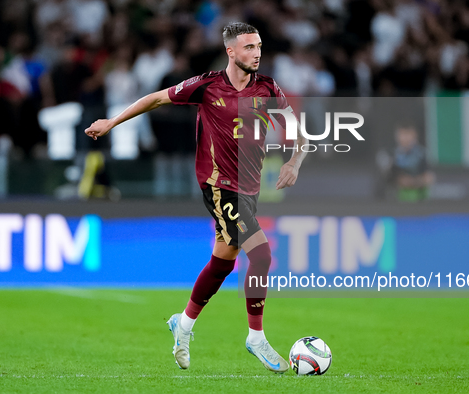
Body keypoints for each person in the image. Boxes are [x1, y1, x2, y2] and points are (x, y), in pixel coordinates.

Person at [85, 22, 306, 373]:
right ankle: (256, 336)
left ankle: (183, 325)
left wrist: (294, 161)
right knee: (261, 255)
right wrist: (112, 122)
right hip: (218, 184)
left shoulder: (268, 88)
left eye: (259, 45)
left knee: (225, 259)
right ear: (231, 52)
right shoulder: (207, 85)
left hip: (249, 189)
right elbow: (157, 98)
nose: (257, 53)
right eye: (249, 47)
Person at [391, 123, 434, 201]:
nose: (405, 138)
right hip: (399, 200)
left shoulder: (422, 154)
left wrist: (414, 182)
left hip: (420, 199)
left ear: (415, 136)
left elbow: (429, 178)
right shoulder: (393, 155)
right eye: (403, 134)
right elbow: (394, 180)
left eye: (408, 134)